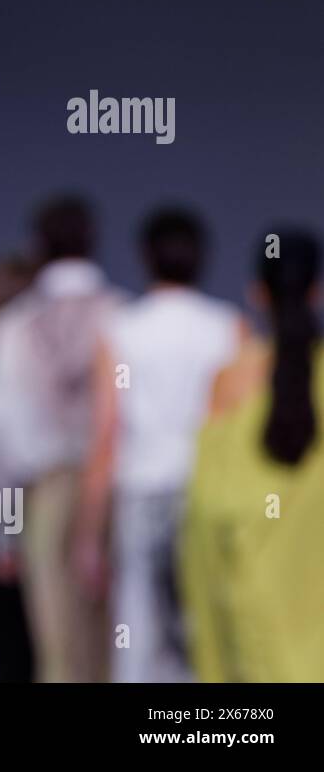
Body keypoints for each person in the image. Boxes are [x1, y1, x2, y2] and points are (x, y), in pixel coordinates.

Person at [76, 207, 245, 682]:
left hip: (142, 495)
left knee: (139, 636)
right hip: (206, 496)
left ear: (145, 256)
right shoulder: (227, 327)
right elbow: (234, 428)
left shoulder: (122, 331)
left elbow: (106, 436)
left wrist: (89, 534)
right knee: (203, 630)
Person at [0, 195, 126, 682]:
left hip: (47, 492)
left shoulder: (14, 325)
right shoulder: (124, 316)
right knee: (120, 644)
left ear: (39, 247)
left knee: (57, 649)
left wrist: (1, 528)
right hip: (120, 488)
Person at [180, 227, 324, 682]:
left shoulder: (232, 381)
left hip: (253, 626)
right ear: (317, 291)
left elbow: (205, 514)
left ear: (256, 294)